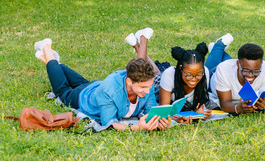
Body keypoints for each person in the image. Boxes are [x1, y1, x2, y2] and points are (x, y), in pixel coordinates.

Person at [34, 29, 171, 132]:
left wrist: (157, 122)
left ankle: (53, 63)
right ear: (129, 82)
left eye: (149, 86)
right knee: (62, 91)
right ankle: (47, 48)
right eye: (142, 88)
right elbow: (109, 123)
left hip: (96, 87)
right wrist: (137, 128)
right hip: (83, 97)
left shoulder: (147, 83)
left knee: (74, 78)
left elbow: (150, 111)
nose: (147, 91)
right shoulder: (110, 91)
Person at [125, 31, 212, 124]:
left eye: (198, 74)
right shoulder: (169, 76)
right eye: (189, 75)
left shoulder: (204, 72)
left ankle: (136, 44)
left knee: (157, 72)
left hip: (167, 77)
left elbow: (199, 103)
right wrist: (177, 118)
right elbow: (164, 110)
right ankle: (143, 39)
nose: (194, 79)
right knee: (144, 71)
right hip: (159, 86)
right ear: (180, 68)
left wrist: (199, 113)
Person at [205, 33, 265, 114]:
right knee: (211, 65)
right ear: (238, 64)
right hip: (214, 72)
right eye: (246, 70)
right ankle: (219, 45)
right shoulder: (223, 70)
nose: (251, 75)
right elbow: (224, 104)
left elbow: (264, 100)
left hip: (234, 66)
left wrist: (261, 105)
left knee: (227, 61)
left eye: (256, 71)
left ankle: (217, 51)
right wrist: (237, 108)